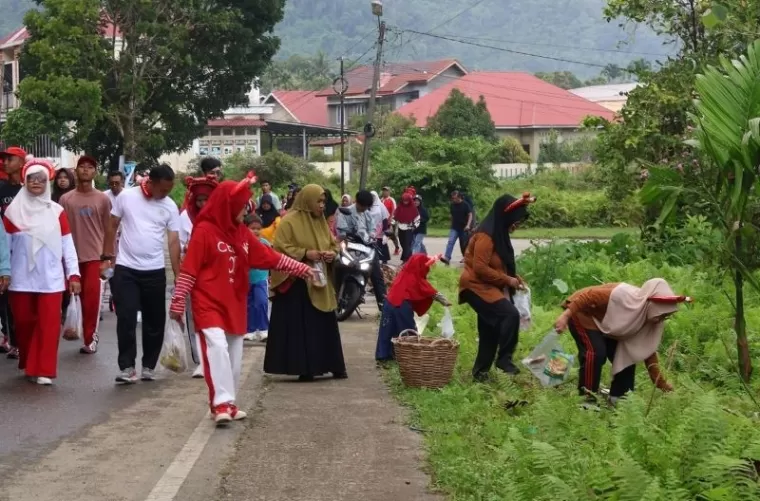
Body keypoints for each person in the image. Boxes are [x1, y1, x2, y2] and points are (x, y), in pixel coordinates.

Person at [169, 175, 312, 423]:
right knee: (217, 348)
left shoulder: (242, 234)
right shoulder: (204, 231)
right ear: (228, 205)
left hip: (234, 302)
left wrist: (301, 269)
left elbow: (269, 257)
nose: (246, 210)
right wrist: (178, 300)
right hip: (208, 302)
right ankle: (220, 403)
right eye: (242, 205)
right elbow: (189, 270)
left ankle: (229, 403)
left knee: (234, 354)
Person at [102, 164, 181, 384]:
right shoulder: (127, 197)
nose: (166, 194)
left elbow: (173, 241)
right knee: (126, 317)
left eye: (169, 190)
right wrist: (107, 257)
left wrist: (179, 276)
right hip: (126, 268)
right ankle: (127, 367)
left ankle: (148, 366)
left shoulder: (169, 206)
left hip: (154, 270)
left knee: (154, 321)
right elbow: (112, 225)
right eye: (163, 189)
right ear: (152, 182)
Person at [4, 159, 80, 385]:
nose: (36, 182)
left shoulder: (57, 212)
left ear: (47, 182)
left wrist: (73, 274)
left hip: (51, 278)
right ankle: (29, 360)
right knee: (24, 323)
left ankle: (45, 368)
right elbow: (3, 247)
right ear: (24, 181)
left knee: (48, 325)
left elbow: (68, 245)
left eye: (41, 179)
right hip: (20, 279)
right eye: (31, 178)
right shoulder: (12, 212)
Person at [554, 279, 685, 404]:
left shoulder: (652, 319)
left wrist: (661, 384)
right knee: (595, 353)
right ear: (653, 305)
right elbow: (587, 297)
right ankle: (588, 399)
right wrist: (565, 316)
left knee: (627, 355)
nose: (662, 319)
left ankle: (619, 400)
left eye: (666, 316)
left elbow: (648, 351)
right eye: (662, 314)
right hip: (582, 311)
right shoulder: (622, 297)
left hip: (608, 322)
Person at [265, 184, 347, 382]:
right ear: (307, 200)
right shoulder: (288, 222)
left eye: (323, 202)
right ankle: (305, 367)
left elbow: (332, 243)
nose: (321, 206)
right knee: (302, 327)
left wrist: (331, 253)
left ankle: (332, 365)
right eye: (318, 201)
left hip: (319, 278)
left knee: (324, 324)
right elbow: (280, 248)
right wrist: (304, 253)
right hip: (297, 283)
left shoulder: (320, 222)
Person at [459, 193, 536, 381]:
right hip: (475, 286)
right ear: (506, 216)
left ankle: (480, 373)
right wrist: (507, 281)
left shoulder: (498, 233)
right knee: (509, 314)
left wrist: (514, 277)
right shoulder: (486, 235)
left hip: (487, 286)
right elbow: (480, 267)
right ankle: (504, 359)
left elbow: (499, 264)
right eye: (516, 221)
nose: (517, 226)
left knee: (489, 328)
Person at [59, 156, 111, 355]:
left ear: (95, 172)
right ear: (76, 171)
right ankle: (72, 329)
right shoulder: (66, 199)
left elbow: (109, 229)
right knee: (69, 298)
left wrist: (107, 258)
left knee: (91, 302)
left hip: (94, 257)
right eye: (82, 167)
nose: (86, 170)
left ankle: (90, 339)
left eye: (90, 167)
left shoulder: (102, 199)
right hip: (70, 257)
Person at [178, 175, 219, 378]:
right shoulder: (186, 218)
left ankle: (217, 359)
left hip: (218, 275)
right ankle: (202, 362)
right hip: (195, 275)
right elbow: (179, 243)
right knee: (196, 318)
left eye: (207, 199)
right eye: (199, 200)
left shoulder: (223, 218)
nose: (203, 204)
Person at [375, 254, 450, 361]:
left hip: (389, 304)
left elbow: (427, 261)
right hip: (401, 306)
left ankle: (384, 355)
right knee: (408, 332)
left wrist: (437, 258)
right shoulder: (415, 277)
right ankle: (410, 357)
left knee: (387, 330)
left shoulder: (404, 273)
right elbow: (429, 290)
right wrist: (445, 301)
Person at [337, 190, 387, 306]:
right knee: (337, 265)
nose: (364, 208)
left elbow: (373, 229)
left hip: (366, 245)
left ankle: (383, 304)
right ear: (357, 201)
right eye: (362, 206)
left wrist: (372, 236)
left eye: (366, 207)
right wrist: (347, 235)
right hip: (349, 244)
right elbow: (341, 231)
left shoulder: (367, 214)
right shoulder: (346, 212)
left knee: (376, 273)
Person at [0, 146, 26, 358]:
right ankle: (14, 341)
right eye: (4, 160)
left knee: (23, 297)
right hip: (5, 248)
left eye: (9, 159)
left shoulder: (30, 188)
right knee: (7, 299)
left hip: (27, 250)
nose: (5, 163)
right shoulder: (1, 188)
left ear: (21, 161)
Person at [243, 214, 271, 342]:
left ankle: (264, 329)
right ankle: (250, 330)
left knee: (261, 302)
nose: (256, 231)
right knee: (248, 305)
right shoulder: (242, 243)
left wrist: (271, 275)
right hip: (246, 279)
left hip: (261, 278)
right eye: (252, 228)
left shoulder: (264, 243)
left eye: (258, 228)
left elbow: (272, 259)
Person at [445, 190, 473, 263]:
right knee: (450, 242)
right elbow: (452, 215)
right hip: (454, 227)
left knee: (463, 244)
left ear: (459, 197)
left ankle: (465, 257)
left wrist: (468, 225)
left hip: (463, 228)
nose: (453, 199)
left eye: (454, 198)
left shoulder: (465, 204)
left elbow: (470, 215)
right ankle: (447, 258)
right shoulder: (452, 205)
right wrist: (451, 223)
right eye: (452, 198)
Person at [394, 192, 419, 262]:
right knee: (403, 244)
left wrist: (414, 226)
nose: (405, 202)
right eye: (404, 200)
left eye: (406, 201)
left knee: (407, 245)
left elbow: (417, 218)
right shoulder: (399, 207)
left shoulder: (413, 208)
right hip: (400, 227)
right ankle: (409, 259)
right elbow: (395, 216)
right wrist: (391, 223)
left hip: (408, 228)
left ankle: (405, 260)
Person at [370, 191, 391, 264]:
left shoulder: (380, 206)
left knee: (382, 244)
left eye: (373, 197)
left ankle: (384, 260)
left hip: (380, 228)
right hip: (371, 229)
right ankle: (373, 260)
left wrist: (385, 232)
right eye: (371, 197)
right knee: (372, 244)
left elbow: (385, 219)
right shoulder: (368, 206)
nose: (372, 198)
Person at [380, 187, 399, 255]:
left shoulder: (391, 200)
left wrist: (391, 220)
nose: (384, 192)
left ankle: (397, 247)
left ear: (389, 192)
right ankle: (383, 249)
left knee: (392, 235)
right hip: (383, 221)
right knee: (382, 235)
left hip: (391, 220)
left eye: (386, 191)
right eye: (383, 191)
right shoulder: (381, 200)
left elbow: (394, 210)